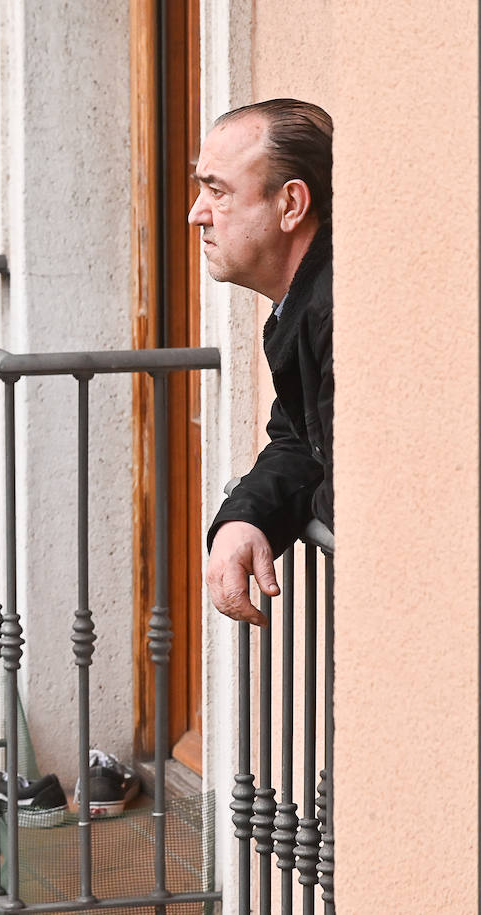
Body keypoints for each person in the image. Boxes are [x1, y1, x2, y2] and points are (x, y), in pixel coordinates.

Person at [193, 99, 334, 628]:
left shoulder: (338, 310)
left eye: (218, 192)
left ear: (290, 204)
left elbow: (358, 498)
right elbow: (300, 440)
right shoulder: (307, 302)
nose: (196, 213)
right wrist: (244, 519)